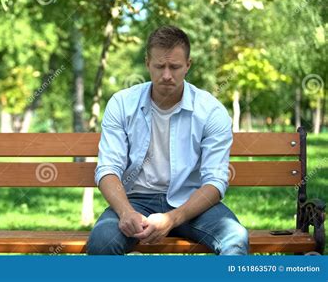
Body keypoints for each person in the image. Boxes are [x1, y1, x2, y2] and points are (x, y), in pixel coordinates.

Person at [86, 25, 249, 255]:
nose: (166, 75)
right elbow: (108, 168)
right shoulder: (122, 104)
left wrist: (172, 218)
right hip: (135, 202)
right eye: (159, 66)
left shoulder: (211, 111)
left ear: (188, 65)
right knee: (103, 240)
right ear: (147, 63)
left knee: (235, 237)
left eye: (175, 67)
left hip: (192, 205)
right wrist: (125, 212)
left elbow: (215, 181)